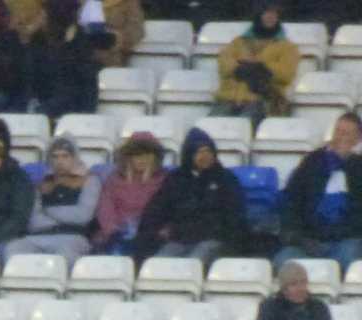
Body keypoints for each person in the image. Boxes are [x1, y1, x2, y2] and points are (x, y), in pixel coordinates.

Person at [135, 127, 246, 264]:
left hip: (213, 239)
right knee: (160, 263)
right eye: (199, 152)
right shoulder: (176, 179)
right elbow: (157, 209)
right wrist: (154, 233)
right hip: (179, 239)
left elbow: (235, 214)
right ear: (189, 154)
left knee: (194, 262)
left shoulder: (225, 179)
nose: (205, 156)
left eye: (208, 151)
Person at [275, 112, 362, 271]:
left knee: (349, 258)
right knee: (284, 260)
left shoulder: (358, 168)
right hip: (309, 239)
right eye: (338, 131)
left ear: (357, 139)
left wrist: (343, 163)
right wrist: (300, 237)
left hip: (344, 240)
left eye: (346, 133)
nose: (339, 137)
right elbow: (292, 201)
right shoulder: (312, 161)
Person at [1, 135, 99, 264]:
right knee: (13, 248)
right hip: (39, 235)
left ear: (74, 158)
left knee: (66, 253)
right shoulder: (42, 184)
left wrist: (48, 211)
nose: (60, 161)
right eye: (55, 156)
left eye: (65, 156)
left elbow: (82, 216)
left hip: (72, 236)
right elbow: (34, 219)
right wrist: (60, 218)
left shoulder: (90, 181)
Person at [213, 0, 297, 124]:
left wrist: (261, 66)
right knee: (209, 128)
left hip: (261, 103)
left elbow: (286, 74)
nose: (271, 16)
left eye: (274, 13)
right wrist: (240, 68)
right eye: (266, 12)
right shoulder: (238, 42)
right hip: (227, 100)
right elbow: (224, 64)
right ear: (258, 15)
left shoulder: (287, 47)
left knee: (240, 127)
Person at [26, 0, 111, 122]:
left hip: (73, 104)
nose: (41, 17)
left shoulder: (79, 40)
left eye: (45, 13)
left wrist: (66, 46)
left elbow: (87, 82)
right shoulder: (37, 39)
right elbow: (30, 76)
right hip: (42, 100)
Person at [91, 131, 164, 256]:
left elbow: (166, 210)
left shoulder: (164, 181)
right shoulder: (114, 180)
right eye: (137, 155)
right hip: (116, 235)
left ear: (155, 157)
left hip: (151, 237)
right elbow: (105, 209)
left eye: (147, 154)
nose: (142, 159)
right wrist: (113, 232)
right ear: (128, 158)